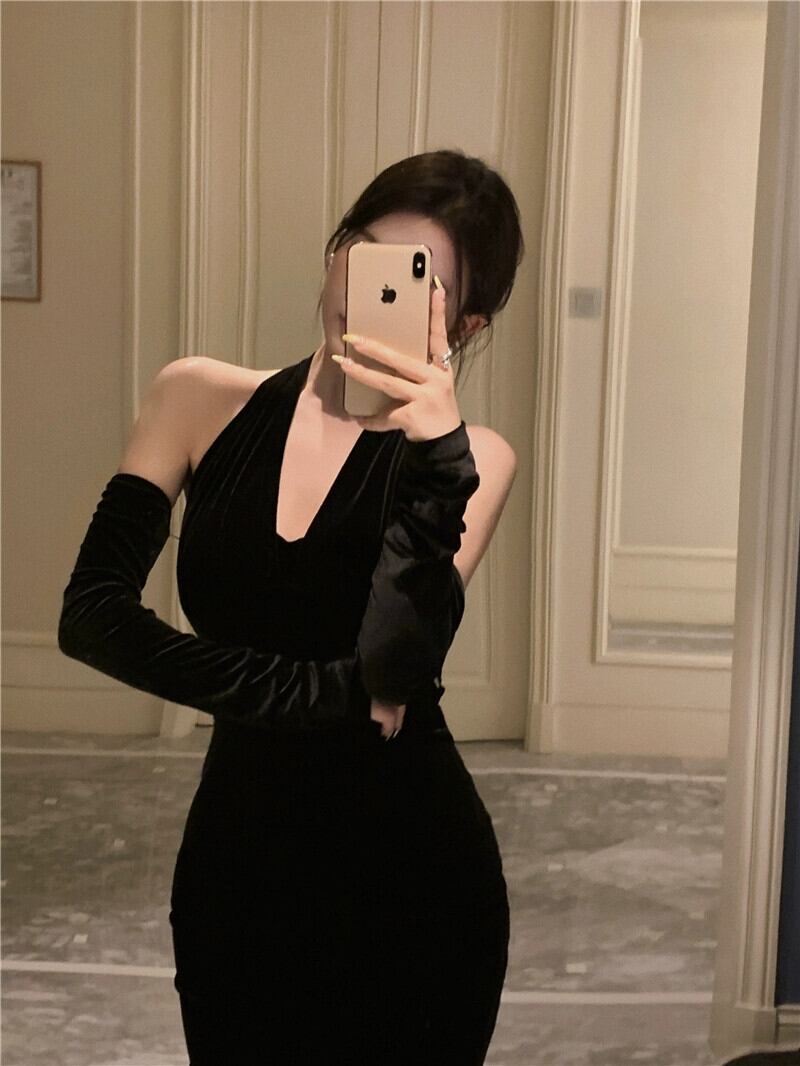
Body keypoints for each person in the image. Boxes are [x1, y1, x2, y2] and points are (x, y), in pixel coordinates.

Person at [58, 148, 524, 1064]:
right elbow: (92, 614)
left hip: (415, 876)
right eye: (361, 249)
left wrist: (438, 456)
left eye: (416, 278)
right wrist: (318, 695)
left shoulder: (473, 459)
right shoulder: (195, 397)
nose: (365, 290)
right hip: (239, 863)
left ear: (464, 321)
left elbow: (394, 662)